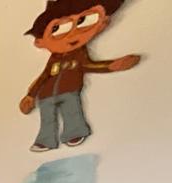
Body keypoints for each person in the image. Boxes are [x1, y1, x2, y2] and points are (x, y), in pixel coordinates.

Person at [19, 0, 140, 152]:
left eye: (83, 22)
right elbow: (44, 76)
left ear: (102, 23)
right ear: (40, 42)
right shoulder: (54, 59)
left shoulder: (78, 55)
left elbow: (89, 66)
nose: (72, 33)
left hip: (69, 90)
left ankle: (74, 133)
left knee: (72, 111)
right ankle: (45, 140)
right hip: (46, 95)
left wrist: (112, 65)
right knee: (47, 117)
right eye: (58, 29)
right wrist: (30, 95)